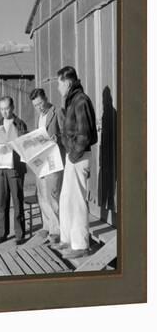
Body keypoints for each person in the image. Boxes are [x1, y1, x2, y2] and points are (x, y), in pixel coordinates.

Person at [54, 66, 98, 258]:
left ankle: (80, 246)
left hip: (78, 158)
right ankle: (67, 240)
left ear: (68, 83)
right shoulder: (72, 101)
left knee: (78, 201)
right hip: (73, 156)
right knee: (66, 200)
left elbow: (85, 134)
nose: (57, 87)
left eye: (59, 83)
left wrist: (73, 155)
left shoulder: (81, 100)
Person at [0, 96, 28, 246]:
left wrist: (16, 143)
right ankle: (2, 233)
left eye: (6, 108)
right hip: (1, 168)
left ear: (12, 108)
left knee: (17, 201)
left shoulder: (20, 124)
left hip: (15, 168)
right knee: (2, 202)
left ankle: (19, 234)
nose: (4, 112)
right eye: (2, 109)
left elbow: (25, 145)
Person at [29, 88, 65, 245]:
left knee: (53, 196)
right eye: (35, 106)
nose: (39, 108)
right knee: (42, 195)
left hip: (54, 161)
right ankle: (47, 225)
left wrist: (59, 138)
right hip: (40, 161)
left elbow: (68, 133)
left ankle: (57, 230)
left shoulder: (57, 112)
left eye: (40, 104)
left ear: (46, 98)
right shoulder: (38, 116)